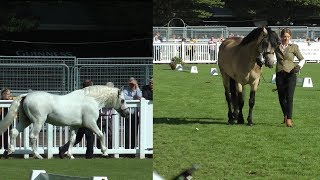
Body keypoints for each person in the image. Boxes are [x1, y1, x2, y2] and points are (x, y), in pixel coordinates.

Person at [275, 28, 305, 127]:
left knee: (289, 97)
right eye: (284, 36)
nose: (286, 38)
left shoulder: (294, 47)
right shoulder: (276, 47)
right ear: (281, 37)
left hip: (291, 74)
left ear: (290, 37)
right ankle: (285, 115)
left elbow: (302, 59)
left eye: (288, 37)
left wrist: (298, 67)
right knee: (281, 97)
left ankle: (289, 119)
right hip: (280, 74)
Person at [59, 80, 95, 159]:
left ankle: (63, 149)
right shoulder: (88, 95)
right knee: (89, 137)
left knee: (78, 138)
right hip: (85, 119)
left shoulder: (79, 93)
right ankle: (89, 156)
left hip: (79, 119)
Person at [123, 77, 142, 150]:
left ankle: (133, 150)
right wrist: (134, 98)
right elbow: (124, 98)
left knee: (134, 133)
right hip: (128, 115)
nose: (131, 85)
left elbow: (140, 97)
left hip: (135, 115)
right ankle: (127, 150)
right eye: (130, 83)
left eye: (133, 84)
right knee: (127, 133)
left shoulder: (137, 90)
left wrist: (137, 87)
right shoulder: (125, 91)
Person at [97, 82, 114, 149]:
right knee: (99, 134)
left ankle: (110, 150)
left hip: (108, 117)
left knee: (110, 134)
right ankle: (99, 149)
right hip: (101, 116)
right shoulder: (101, 95)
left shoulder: (113, 96)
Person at [0, 88, 13, 153]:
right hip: (1, 120)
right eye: (7, 94)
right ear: (3, 95)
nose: (9, 95)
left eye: (9, 94)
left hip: (8, 121)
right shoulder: (0, 101)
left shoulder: (11, 101)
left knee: (7, 134)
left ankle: (6, 148)